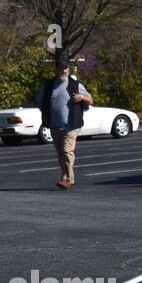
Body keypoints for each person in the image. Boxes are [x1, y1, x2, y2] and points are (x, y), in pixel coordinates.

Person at [37, 55, 92, 190]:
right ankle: (65, 176)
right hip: (54, 125)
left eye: (66, 68)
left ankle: (68, 179)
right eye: (61, 68)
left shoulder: (75, 85)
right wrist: (45, 112)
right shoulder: (49, 85)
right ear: (56, 70)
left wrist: (81, 97)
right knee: (61, 153)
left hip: (71, 125)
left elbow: (90, 100)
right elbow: (39, 101)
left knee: (67, 151)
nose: (64, 71)